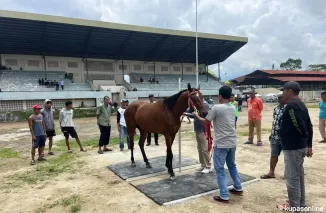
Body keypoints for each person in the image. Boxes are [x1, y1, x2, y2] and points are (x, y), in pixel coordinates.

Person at [194, 86, 243, 203]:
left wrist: (195, 115)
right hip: (232, 142)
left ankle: (224, 195)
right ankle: (238, 187)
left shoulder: (216, 107)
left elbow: (206, 121)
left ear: (220, 96)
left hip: (221, 144)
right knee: (232, 166)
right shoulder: (232, 107)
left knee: (219, 169)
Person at [277, 81, 313, 210]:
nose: (283, 93)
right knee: (298, 176)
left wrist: (304, 137)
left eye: (284, 91)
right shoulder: (301, 104)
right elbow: (309, 124)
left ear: (290, 91)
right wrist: (308, 144)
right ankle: (300, 203)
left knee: (292, 178)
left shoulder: (291, 105)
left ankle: (294, 206)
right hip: (300, 146)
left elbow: (300, 125)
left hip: (293, 147)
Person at [183, 95, 211, 174]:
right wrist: (185, 112)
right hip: (197, 129)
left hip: (203, 129)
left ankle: (208, 166)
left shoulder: (204, 104)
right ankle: (203, 164)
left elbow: (202, 115)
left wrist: (189, 114)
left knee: (205, 149)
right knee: (199, 148)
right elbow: (189, 112)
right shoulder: (194, 105)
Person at [261, 94, 286, 179]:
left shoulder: (289, 108)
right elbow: (275, 122)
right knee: (274, 154)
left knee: (287, 156)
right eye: (278, 98)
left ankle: (288, 173)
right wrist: (271, 134)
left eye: (281, 97)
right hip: (275, 136)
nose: (279, 99)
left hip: (285, 137)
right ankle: (271, 172)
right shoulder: (276, 108)